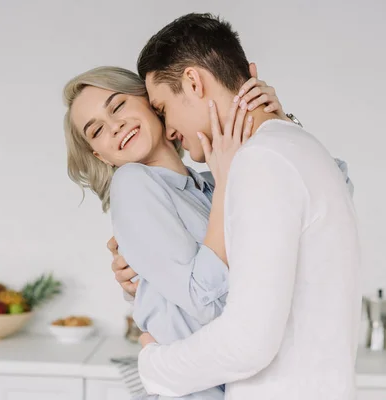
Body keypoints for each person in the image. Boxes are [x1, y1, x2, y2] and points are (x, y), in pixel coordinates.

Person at [110, 13, 361, 400]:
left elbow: (249, 341)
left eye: (162, 108)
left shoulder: (260, 161)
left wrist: (154, 366)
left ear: (193, 82)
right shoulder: (296, 149)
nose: (169, 128)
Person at [64, 64, 312, 399]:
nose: (115, 126)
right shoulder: (135, 182)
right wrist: (226, 180)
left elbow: (326, 193)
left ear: (151, 103)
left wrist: (277, 122)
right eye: (96, 131)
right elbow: (202, 298)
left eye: (118, 106)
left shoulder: (210, 185)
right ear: (100, 154)